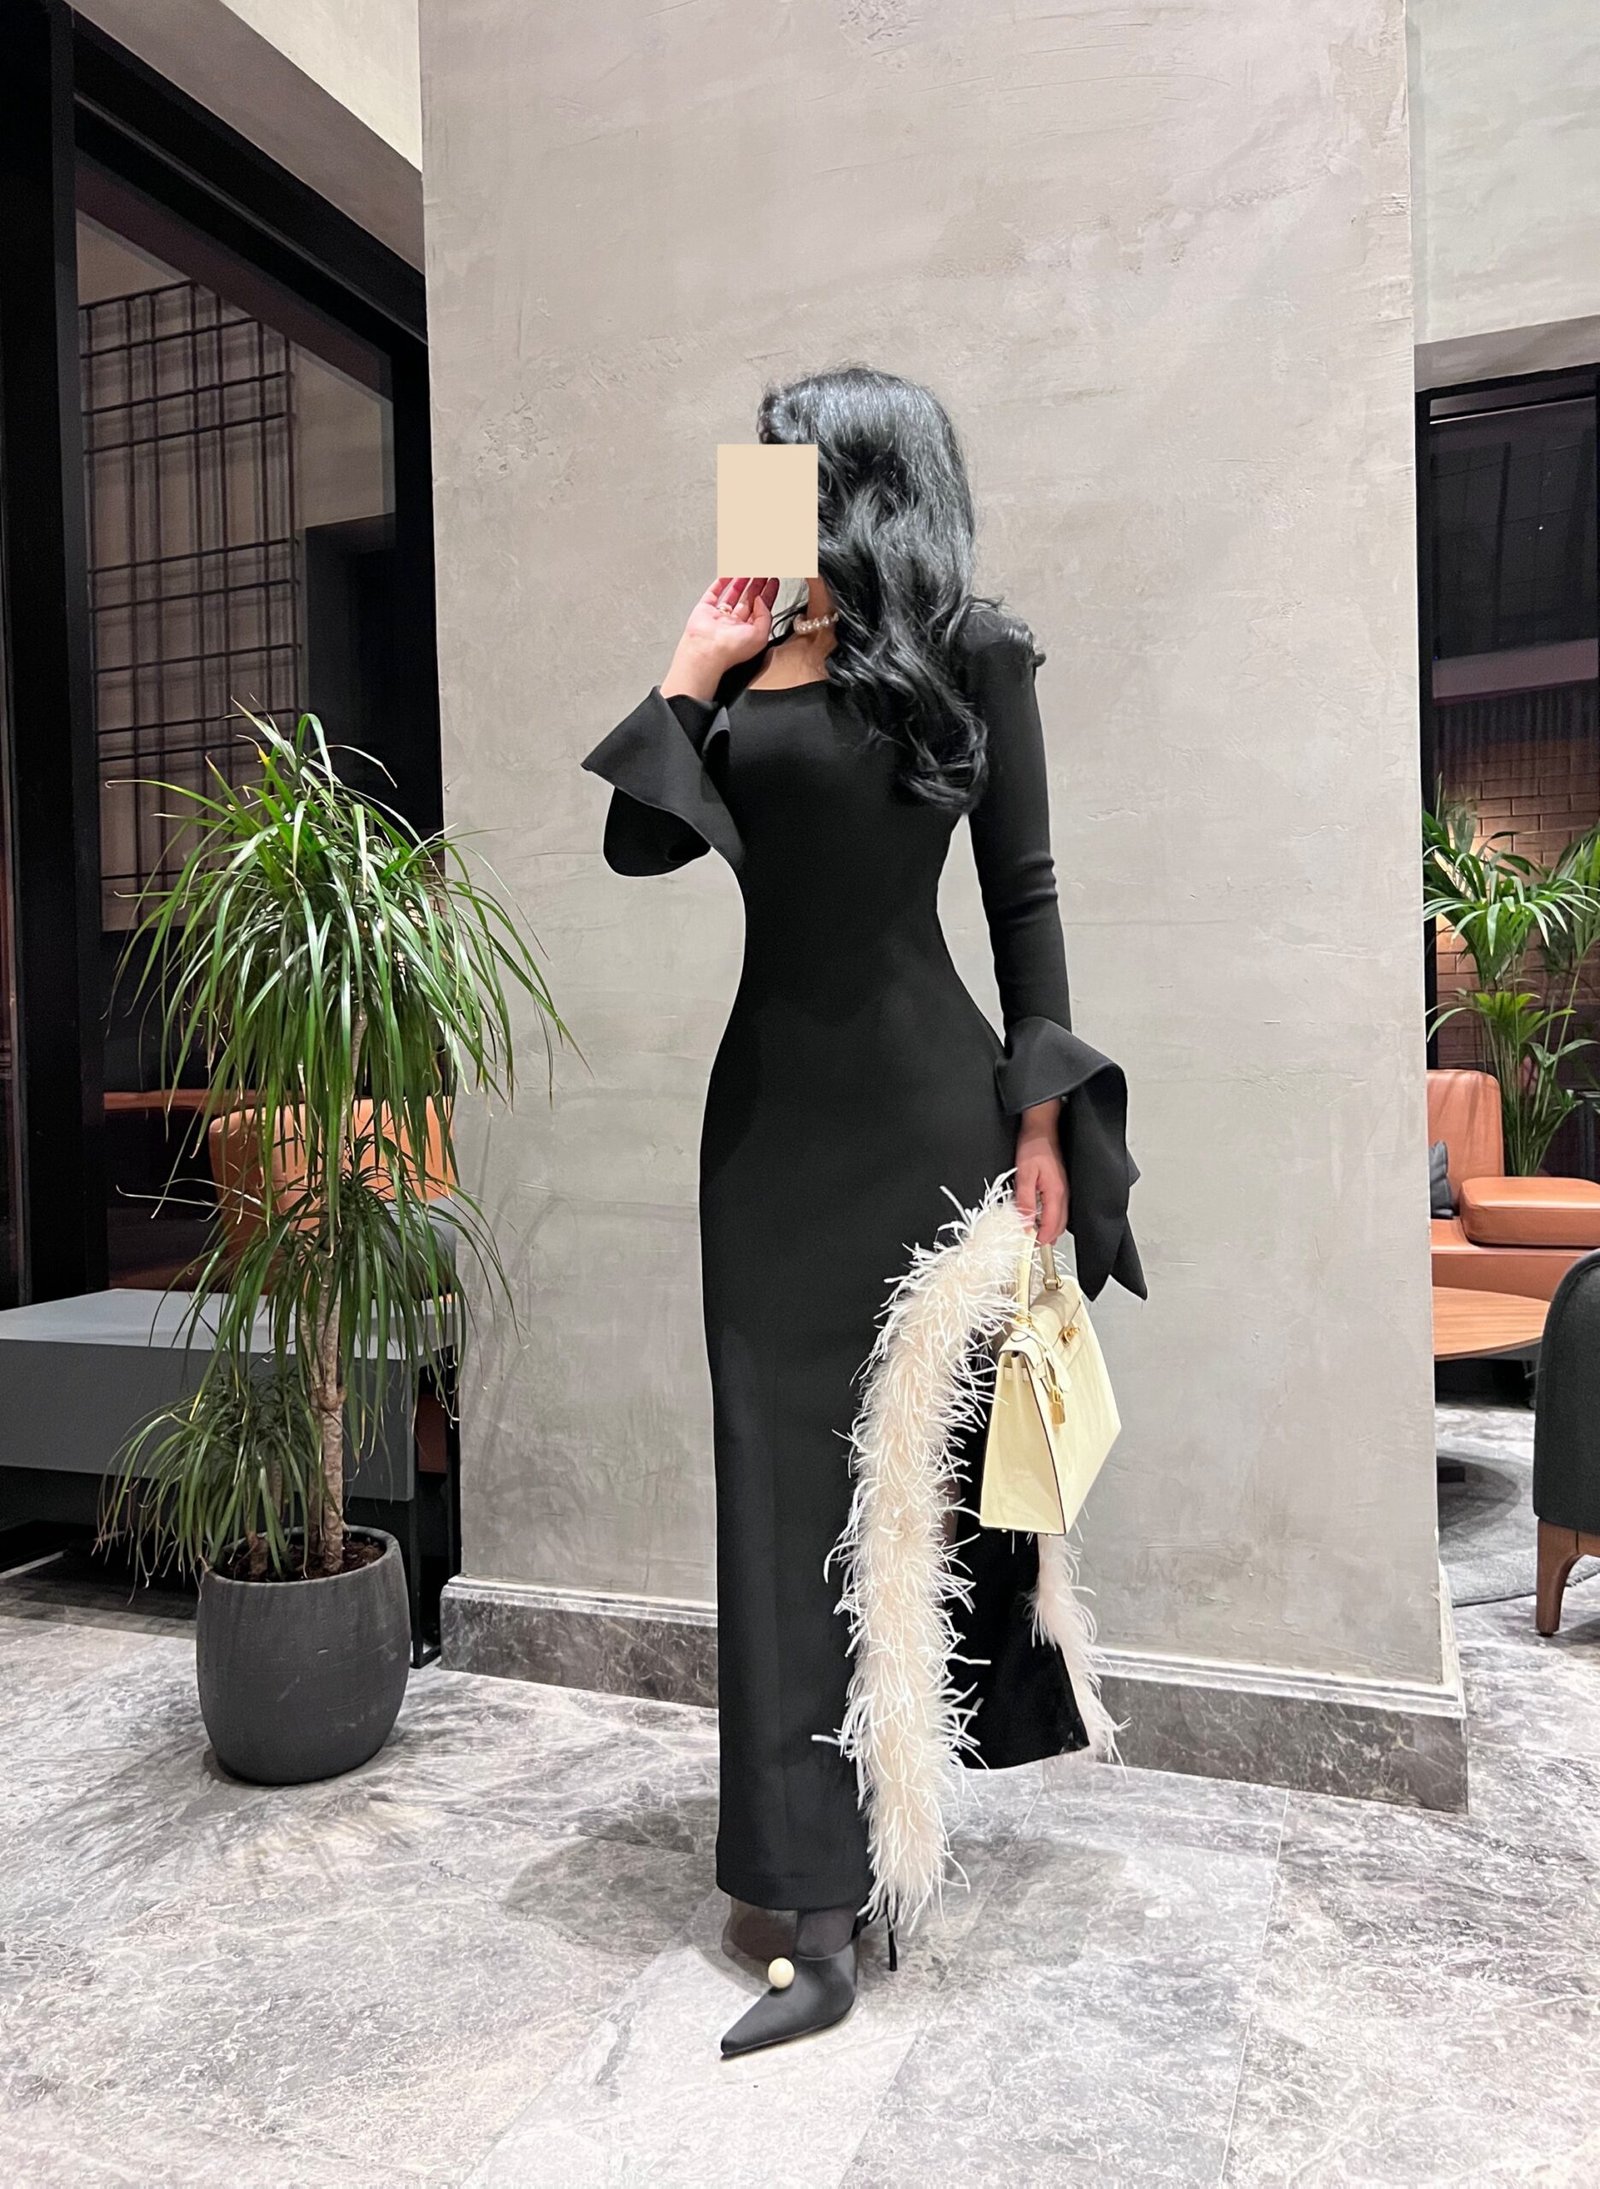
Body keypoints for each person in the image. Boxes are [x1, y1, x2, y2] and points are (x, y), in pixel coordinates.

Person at [582, 365, 1144, 2058]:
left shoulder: (972, 650)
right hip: (765, 1142)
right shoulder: (750, 653)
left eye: (785, 462)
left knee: (903, 1503)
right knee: (773, 1502)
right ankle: (807, 1896)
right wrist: (691, 665)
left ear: (862, 476)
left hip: (923, 1121)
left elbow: (1024, 894)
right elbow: (636, 846)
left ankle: (872, 1858)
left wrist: (1043, 1120)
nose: (760, 485)